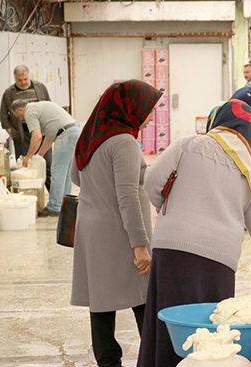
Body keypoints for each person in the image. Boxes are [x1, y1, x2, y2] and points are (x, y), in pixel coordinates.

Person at [138, 99, 251, 367]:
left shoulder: (188, 145)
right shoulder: (249, 167)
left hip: (172, 249)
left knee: (169, 323)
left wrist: (172, 210)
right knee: (212, 332)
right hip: (219, 259)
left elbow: (151, 182)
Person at [71, 80, 160, 367]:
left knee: (101, 301)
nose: (150, 117)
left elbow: (76, 176)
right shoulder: (124, 142)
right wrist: (140, 245)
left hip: (91, 229)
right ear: (130, 108)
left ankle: (108, 362)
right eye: (148, 110)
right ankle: (152, 358)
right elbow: (128, 197)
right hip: (119, 231)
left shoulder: (90, 136)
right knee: (143, 298)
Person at [10, 100, 81, 216]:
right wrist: (39, 155)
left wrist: (28, 157)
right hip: (75, 132)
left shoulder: (29, 112)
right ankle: (65, 204)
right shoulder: (40, 108)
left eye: (19, 116)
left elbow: (37, 136)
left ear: (20, 110)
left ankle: (54, 206)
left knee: (57, 172)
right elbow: (49, 137)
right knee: (66, 174)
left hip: (66, 136)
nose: (21, 119)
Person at [0, 65, 53, 191]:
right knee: (25, 166)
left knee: (47, 165)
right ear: (15, 79)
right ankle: (29, 196)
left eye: (25, 79)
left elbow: (49, 105)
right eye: (20, 80)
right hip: (22, 134)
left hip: (41, 132)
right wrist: (10, 130)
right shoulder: (9, 93)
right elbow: (3, 114)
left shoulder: (40, 87)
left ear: (29, 76)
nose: (23, 82)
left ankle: (54, 200)